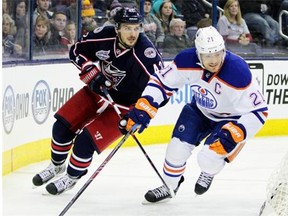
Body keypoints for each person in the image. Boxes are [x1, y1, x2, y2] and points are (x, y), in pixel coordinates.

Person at [124, 26, 268, 203]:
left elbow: (259, 111)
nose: (214, 60)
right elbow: (161, 82)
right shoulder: (186, 60)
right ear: (198, 53)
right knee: (175, 150)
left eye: (217, 53)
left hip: (231, 119)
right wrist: (145, 106)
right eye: (208, 55)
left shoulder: (238, 71)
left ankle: (208, 172)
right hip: (200, 110)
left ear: (223, 49)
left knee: (208, 158)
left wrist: (237, 133)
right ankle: (170, 186)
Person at [32, 7, 164, 195]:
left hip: (126, 107)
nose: (133, 33)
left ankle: (71, 177)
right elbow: (77, 51)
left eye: (136, 28)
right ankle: (56, 165)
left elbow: (160, 89)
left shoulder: (146, 55)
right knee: (61, 127)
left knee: (85, 141)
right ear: (117, 28)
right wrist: (89, 70)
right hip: (98, 92)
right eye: (127, 28)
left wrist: (141, 113)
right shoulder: (104, 36)